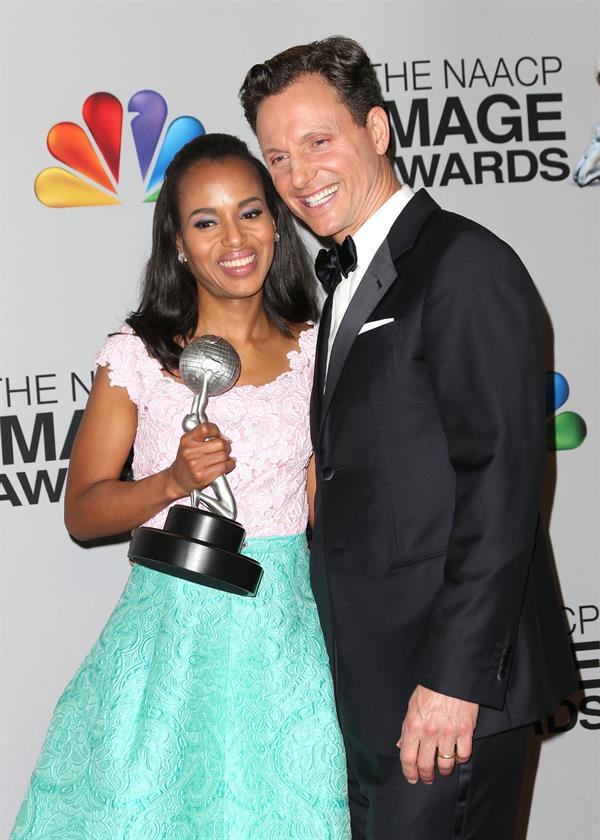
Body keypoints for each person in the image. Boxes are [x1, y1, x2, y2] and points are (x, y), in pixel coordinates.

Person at [240, 37, 578, 840]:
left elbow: (501, 481)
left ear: (379, 129)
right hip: (377, 688)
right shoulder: (343, 279)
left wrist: (453, 680)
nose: (298, 177)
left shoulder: (463, 265)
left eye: (319, 142)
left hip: (448, 691)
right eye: (278, 157)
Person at [11, 133, 351, 840]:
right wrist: (170, 480)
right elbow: (84, 511)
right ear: (176, 242)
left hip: (284, 640)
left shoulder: (318, 347)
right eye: (206, 221)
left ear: (276, 223)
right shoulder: (135, 355)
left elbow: (332, 510)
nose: (234, 238)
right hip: (168, 639)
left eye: (251, 213)